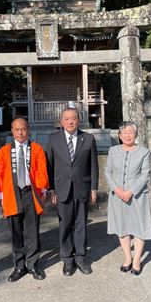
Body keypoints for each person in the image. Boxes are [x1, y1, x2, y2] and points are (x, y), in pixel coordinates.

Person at [45, 107, 99, 276]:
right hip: (62, 189)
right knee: (65, 224)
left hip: (82, 188)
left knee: (80, 224)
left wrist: (93, 188)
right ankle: (67, 259)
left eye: (73, 118)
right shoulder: (54, 139)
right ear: (61, 122)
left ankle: (81, 257)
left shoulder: (88, 139)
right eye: (66, 119)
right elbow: (49, 167)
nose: (70, 121)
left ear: (78, 120)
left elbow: (93, 166)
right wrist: (51, 189)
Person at [0, 118, 49, 282]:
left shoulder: (37, 149)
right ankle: (19, 266)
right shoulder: (4, 152)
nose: (20, 132)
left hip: (30, 193)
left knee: (32, 231)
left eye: (23, 129)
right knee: (16, 231)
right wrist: (2, 199)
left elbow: (42, 171)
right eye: (17, 129)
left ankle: (33, 264)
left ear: (28, 130)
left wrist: (43, 193)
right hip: (11, 194)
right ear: (12, 131)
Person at [105, 122, 151, 276]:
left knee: (139, 227)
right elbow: (107, 171)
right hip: (117, 196)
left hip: (137, 197)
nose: (127, 135)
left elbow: (145, 173)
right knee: (122, 226)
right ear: (119, 136)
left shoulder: (144, 152)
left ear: (136, 135)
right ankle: (128, 257)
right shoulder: (113, 151)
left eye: (130, 132)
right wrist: (117, 190)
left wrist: (131, 191)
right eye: (124, 132)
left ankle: (137, 259)